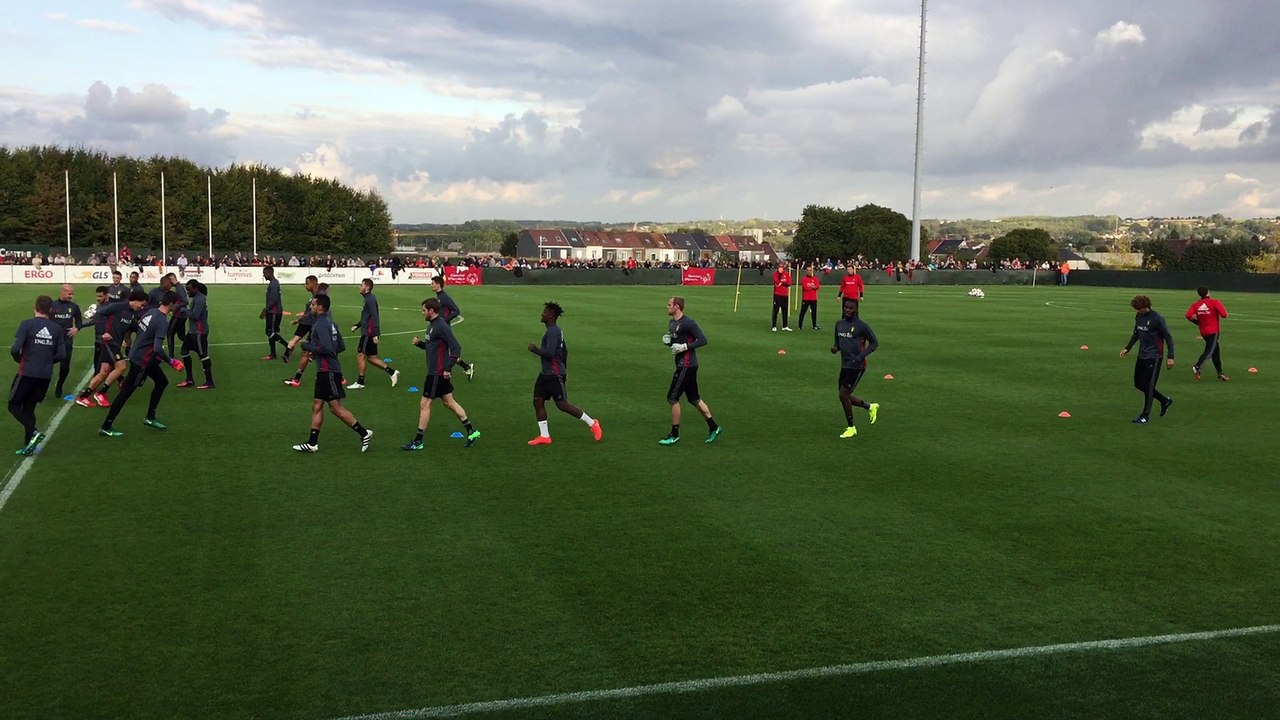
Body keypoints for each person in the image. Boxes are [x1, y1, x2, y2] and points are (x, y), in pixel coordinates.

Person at [290, 293, 373, 453]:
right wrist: (317, 351)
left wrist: (309, 347)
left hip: (328, 371)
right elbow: (340, 346)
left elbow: (327, 348)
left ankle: (364, 433)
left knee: (335, 408)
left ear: (320, 307)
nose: (311, 307)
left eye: (313, 305)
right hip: (327, 370)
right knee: (317, 405)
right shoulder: (331, 323)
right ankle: (312, 443)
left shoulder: (320, 324)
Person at [98, 291, 186, 437]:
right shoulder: (162, 321)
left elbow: (140, 330)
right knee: (125, 393)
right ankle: (106, 426)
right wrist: (171, 361)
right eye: (176, 304)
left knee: (162, 382)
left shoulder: (151, 312)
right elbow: (158, 348)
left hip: (141, 356)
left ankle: (150, 417)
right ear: (171, 304)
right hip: (142, 361)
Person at [400, 297, 480, 451]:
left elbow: (456, 348)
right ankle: (471, 430)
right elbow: (432, 346)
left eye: (424, 310)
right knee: (449, 402)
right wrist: (420, 344)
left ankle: (418, 441)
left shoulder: (441, 326)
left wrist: (448, 368)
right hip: (437, 372)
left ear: (431, 311)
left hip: (437, 373)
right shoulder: (432, 325)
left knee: (425, 404)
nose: (422, 313)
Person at [526, 301, 602, 445]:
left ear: (551, 315)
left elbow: (549, 354)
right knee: (538, 401)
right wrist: (564, 371)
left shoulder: (553, 331)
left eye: (545, 312)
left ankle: (592, 423)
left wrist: (534, 349)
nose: (542, 314)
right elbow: (565, 351)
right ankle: (545, 436)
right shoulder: (554, 331)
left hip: (553, 373)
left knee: (562, 405)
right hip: (546, 373)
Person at [9, 295, 67, 455]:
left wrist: (20, 360)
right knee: (29, 408)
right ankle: (29, 446)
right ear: (50, 310)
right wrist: (48, 361)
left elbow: (15, 349)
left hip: (27, 371)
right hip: (45, 375)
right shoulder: (56, 329)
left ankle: (33, 432)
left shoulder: (26, 324)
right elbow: (62, 354)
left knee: (13, 405)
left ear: (35, 308)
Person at [660, 296, 721, 445]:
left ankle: (674, 434)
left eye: (669, 305)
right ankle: (714, 427)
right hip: (683, 365)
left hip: (686, 365)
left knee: (672, 398)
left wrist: (685, 347)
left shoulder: (688, 323)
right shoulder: (672, 323)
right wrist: (670, 342)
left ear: (677, 307)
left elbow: (702, 340)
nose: (667, 307)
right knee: (694, 399)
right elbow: (677, 341)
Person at [76, 288, 144, 408]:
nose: (142, 307)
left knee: (104, 372)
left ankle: (83, 397)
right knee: (121, 366)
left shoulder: (132, 313)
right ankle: (101, 393)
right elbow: (100, 313)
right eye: (141, 304)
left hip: (115, 343)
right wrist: (105, 332)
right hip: (109, 342)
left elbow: (133, 327)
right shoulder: (118, 306)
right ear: (135, 301)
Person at [1120, 295, 1175, 425]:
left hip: (1154, 356)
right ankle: (1164, 400)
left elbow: (1168, 338)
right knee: (1138, 383)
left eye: (1138, 309)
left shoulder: (1157, 319)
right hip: (1142, 355)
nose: (1137, 311)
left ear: (1146, 307)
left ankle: (1145, 415)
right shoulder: (1138, 317)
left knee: (1149, 386)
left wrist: (1170, 357)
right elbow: (1136, 334)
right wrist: (1128, 348)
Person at [831, 299, 880, 438]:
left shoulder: (861, 326)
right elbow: (838, 343)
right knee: (844, 396)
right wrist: (835, 348)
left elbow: (874, 343)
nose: (847, 310)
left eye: (851, 308)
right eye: (846, 307)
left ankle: (851, 428)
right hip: (845, 365)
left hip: (857, 367)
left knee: (843, 394)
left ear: (856, 310)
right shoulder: (839, 325)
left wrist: (861, 356)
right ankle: (870, 407)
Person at [348, 279, 399, 389]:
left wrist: (376, 334)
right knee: (371, 358)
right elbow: (367, 317)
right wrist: (357, 325)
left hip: (369, 333)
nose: (359, 287)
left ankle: (360, 382)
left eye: (361, 285)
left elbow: (375, 317)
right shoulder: (368, 299)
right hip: (369, 331)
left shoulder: (370, 300)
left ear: (367, 288)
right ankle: (392, 372)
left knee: (360, 355)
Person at [431, 275, 475, 379]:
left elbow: (456, 310)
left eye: (432, 283)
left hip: (444, 329)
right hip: (441, 328)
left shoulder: (444, 297)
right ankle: (466, 367)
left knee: (445, 351)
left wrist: (445, 320)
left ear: (438, 284)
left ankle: (448, 371)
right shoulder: (438, 297)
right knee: (444, 351)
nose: (431, 285)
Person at [176, 279, 215, 389]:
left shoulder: (200, 299)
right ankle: (189, 379)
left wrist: (184, 310)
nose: (188, 292)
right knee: (184, 351)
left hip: (199, 332)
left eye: (189, 289)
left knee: (203, 356)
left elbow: (195, 315)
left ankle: (209, 382)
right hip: (193, 332)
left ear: (195, 288)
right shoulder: (197, 298)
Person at [282, 275, 320, 385]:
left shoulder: (319, 297)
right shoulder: (315, 296)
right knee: (307, 353)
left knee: (326, 353)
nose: (305, 286)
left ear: (313, 283)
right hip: (314, 326)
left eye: (307, 283)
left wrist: (299, 320)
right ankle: (296, 379)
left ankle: (339, 377)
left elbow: (319, 313)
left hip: (317, 327)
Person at [1185, 286, 1229, 381]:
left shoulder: (1196, 305)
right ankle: (1197, 366)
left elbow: (1188, 315)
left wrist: (1198, 322)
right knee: (1209, 351)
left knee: (1215, 351)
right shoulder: (1214, 302)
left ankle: (1220, 373)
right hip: (1213, 331)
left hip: (1204, 331)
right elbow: (1224, 315)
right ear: (1208, 292)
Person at [49, 284, 83, 398]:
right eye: (69, 293)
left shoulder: (74, 307)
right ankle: (41, 387)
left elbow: (79, 321)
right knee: (46, 365)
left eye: (72, 293)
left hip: (66, 340)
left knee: (65, 367)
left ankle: (59, 385)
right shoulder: (52, 305)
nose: (71, 296)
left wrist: (76, 328)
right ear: (63, 292)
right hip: (52, 341)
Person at [260, 265, 288, 359]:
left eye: (264, 273)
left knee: (269, 332)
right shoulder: (274, 283)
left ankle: (288, 346)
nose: (264, 276)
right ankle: (273, 354)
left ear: (269, 273)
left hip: (274, 312)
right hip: (274, 311)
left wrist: (265, 310)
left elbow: (273, 300)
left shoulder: (273, 284)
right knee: (272, 332)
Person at [770, 262, 792, 332]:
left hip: (785, 295)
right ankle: (774, 326)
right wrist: (783, 283)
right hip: (777, 295)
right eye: (779, 267)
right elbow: (777, 282)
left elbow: (789, 283)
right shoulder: (775, 274)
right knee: (775, 311)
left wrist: (782, 283)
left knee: (785, 311)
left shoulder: (786, 274)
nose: (780, 269)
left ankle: (785, 326)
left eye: (781, 268)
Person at [798, 266, 820, 330]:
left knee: (814, 312)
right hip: (806, 298)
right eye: (808, 270)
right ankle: (800, 325)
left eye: (810, 270)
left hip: (813, 299)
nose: (809, 272)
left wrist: (813, 287)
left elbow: (818, 286)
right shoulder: (804, 279)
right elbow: (806, 288)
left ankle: (814, 325)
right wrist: (813, 287)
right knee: (803, 312)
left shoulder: (815, 279)